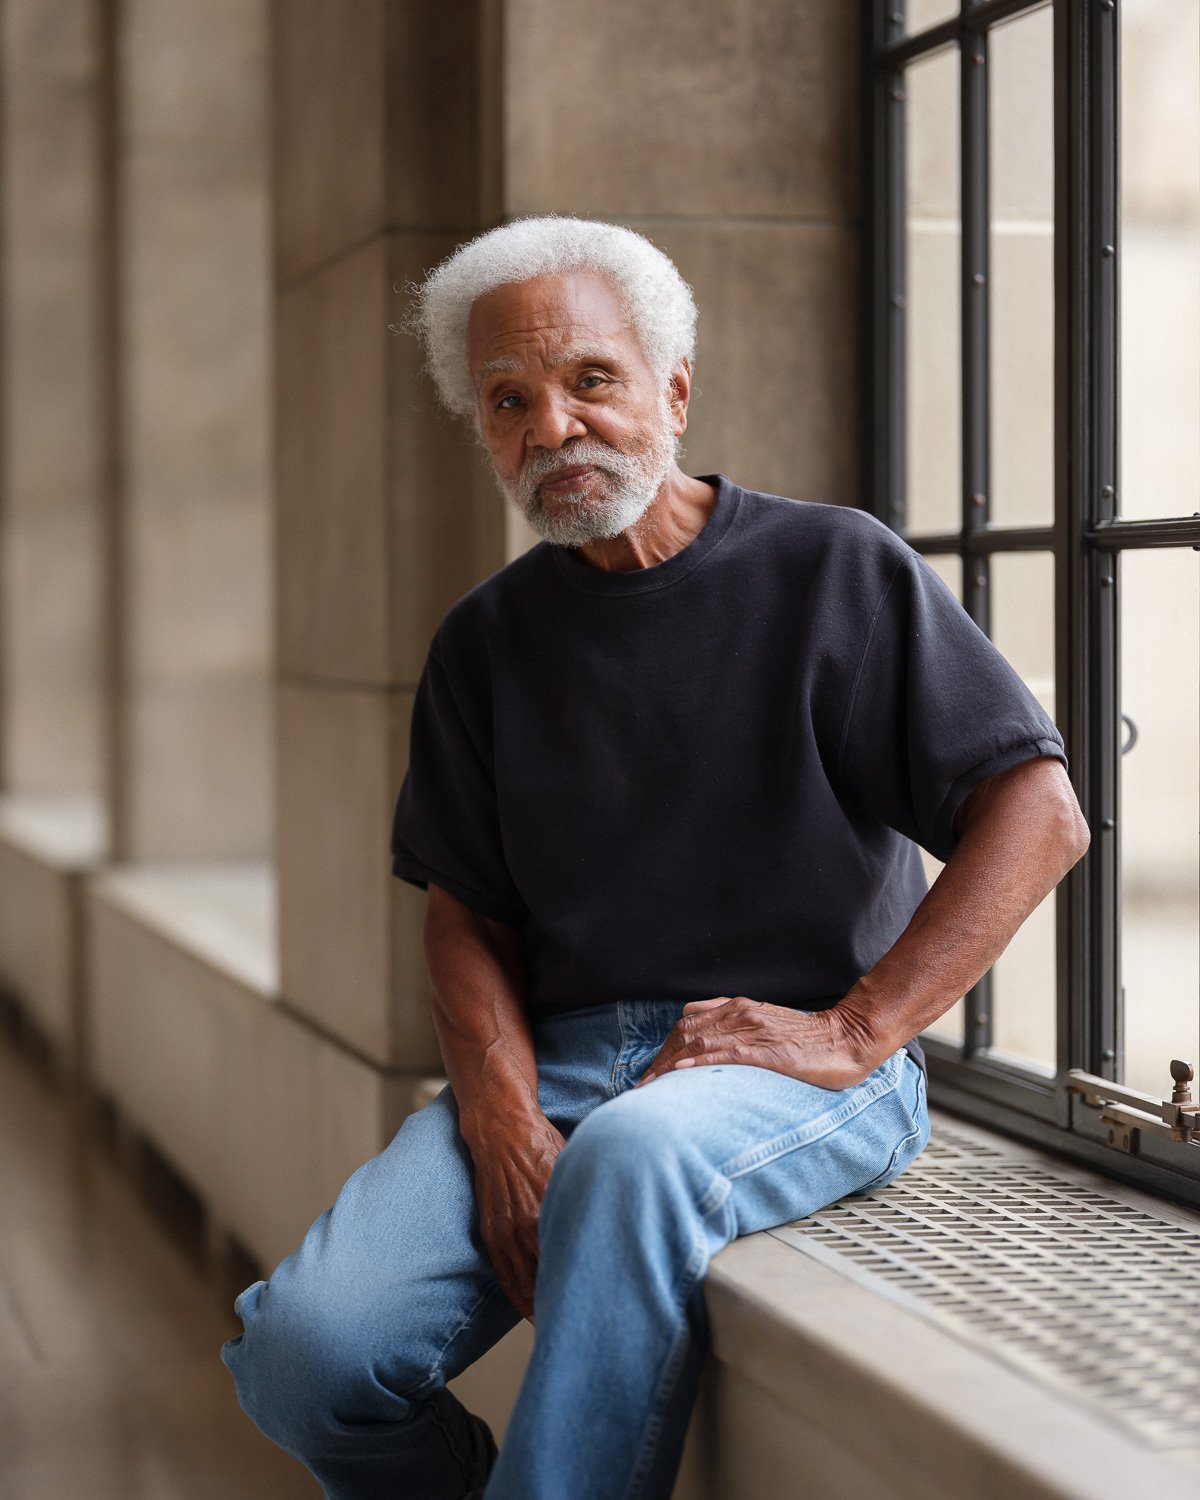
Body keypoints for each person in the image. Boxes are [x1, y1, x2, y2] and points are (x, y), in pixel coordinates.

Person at [221, 216, 1090, 1500]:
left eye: (592, 379)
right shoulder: (483, 644)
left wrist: (856, 1029)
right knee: (304, 1355)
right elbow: (466, 915)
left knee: (634, 1155)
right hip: (562, 1061)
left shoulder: (832, 567)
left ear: (673, 392)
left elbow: (1039, 812)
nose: (553, 426)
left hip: (791, 1061)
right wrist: (501, 1117)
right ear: (484, 432)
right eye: (509, 400)